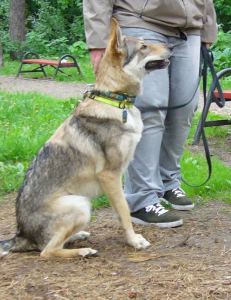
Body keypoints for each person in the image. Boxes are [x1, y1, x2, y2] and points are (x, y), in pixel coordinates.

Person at [83, 0, 218, 228]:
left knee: (185, 106)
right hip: (141, 19)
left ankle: (168, 182)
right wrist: (97, 41)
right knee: (152, 108)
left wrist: (208, 26)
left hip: (190, 28)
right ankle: (142, 198)